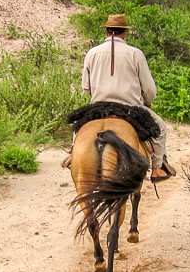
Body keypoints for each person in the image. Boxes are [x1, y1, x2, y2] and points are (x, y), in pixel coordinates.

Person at [63, 14, 174, 182]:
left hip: (98, 106)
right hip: (130, 108)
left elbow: (86, 88)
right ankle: (157, 168)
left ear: (107, 31)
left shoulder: (92, 53)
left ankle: (74, 154)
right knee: (161, 128)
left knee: (80, 127)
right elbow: (149, 89)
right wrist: (148, 100)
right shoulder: (136, 54)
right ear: (125, 33)